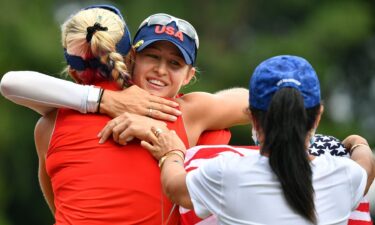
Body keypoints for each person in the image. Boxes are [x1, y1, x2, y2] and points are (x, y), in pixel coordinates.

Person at [0, 6, 249, 225]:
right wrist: (107, 101)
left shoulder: (50, 122)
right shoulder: (186, 113)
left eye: (174, 63)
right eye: (152, 56)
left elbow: (57, 205)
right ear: (131, 59)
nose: (161, 70)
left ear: (188, 76)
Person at [135, 55, 375, 224]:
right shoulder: (345, 176)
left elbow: (174, 188)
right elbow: (366, 165)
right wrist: (357, 142)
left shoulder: (227, 174)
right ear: (317, 115)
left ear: (252, 117)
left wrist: (172, 152)